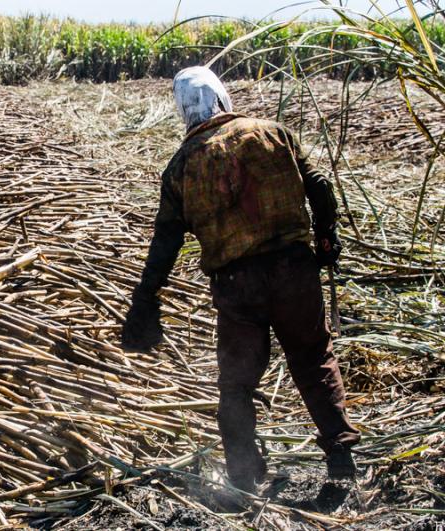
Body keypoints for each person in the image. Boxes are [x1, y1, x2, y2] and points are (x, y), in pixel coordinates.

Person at [121, 66, 361, 493]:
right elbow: (320, 187)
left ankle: (244, 478)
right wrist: (326, 238)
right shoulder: (273, 133)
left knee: (236, 383)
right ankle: (341, 459)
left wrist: (147, 295)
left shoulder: (180, 168)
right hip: (294, 273)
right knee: (312, 359)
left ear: (183, 111)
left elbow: (165, 243)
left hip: (236, 287)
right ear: (221, 98)